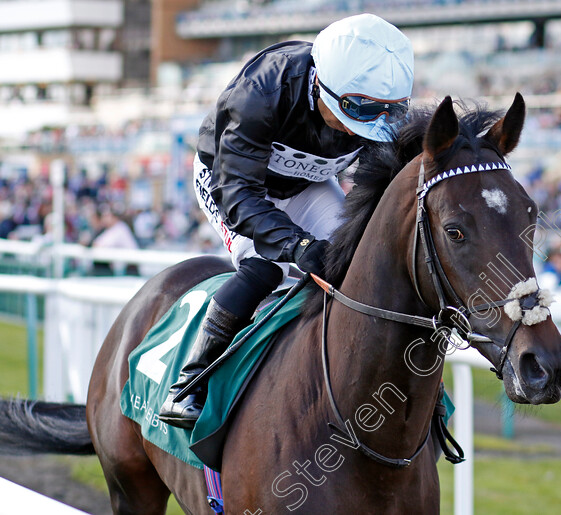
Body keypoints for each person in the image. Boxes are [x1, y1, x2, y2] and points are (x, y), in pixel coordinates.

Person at [159, 14, 414, 429]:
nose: (359, 132)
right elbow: (238, 194)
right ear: (319, 85)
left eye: (380, 114)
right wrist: (296, 246)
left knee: (358, 259)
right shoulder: (260, 93)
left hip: (308, 184)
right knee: (267, 266)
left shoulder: (373, 105)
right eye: (354, 112)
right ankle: (188, 384)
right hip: (232, 182)